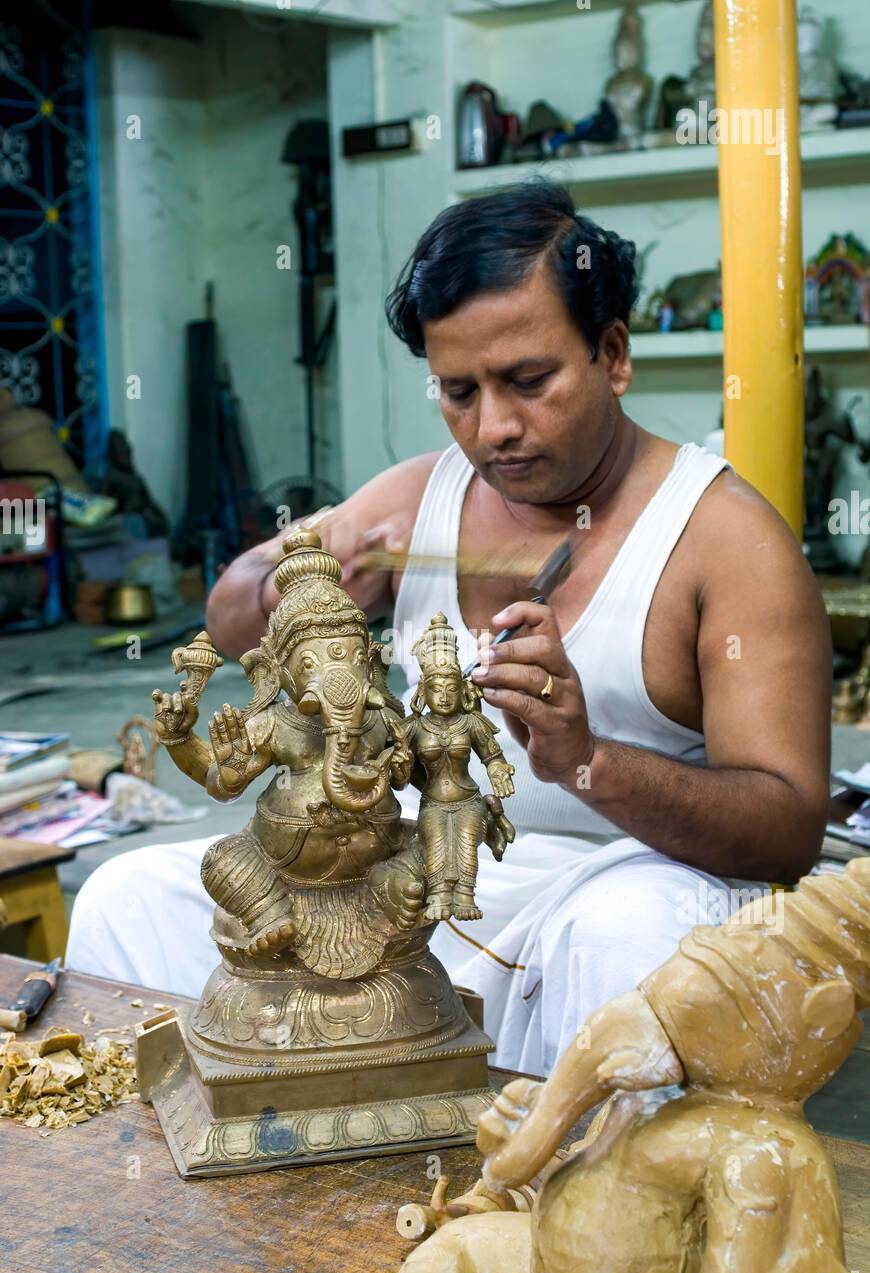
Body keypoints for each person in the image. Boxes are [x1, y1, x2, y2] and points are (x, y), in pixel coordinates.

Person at [67, 182, 831, 1075]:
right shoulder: (418, 497)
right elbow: (230, 615)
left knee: (622, 940)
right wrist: (295, 590)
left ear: (614, 355)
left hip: (624, 884)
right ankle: (225, 1149)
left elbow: (788, 830)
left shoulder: (725, 539)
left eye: (529, 383)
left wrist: (586, 757)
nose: (495, 428)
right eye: (458, 392)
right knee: (127, 896)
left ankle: (560, 1165)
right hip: (411, 874)